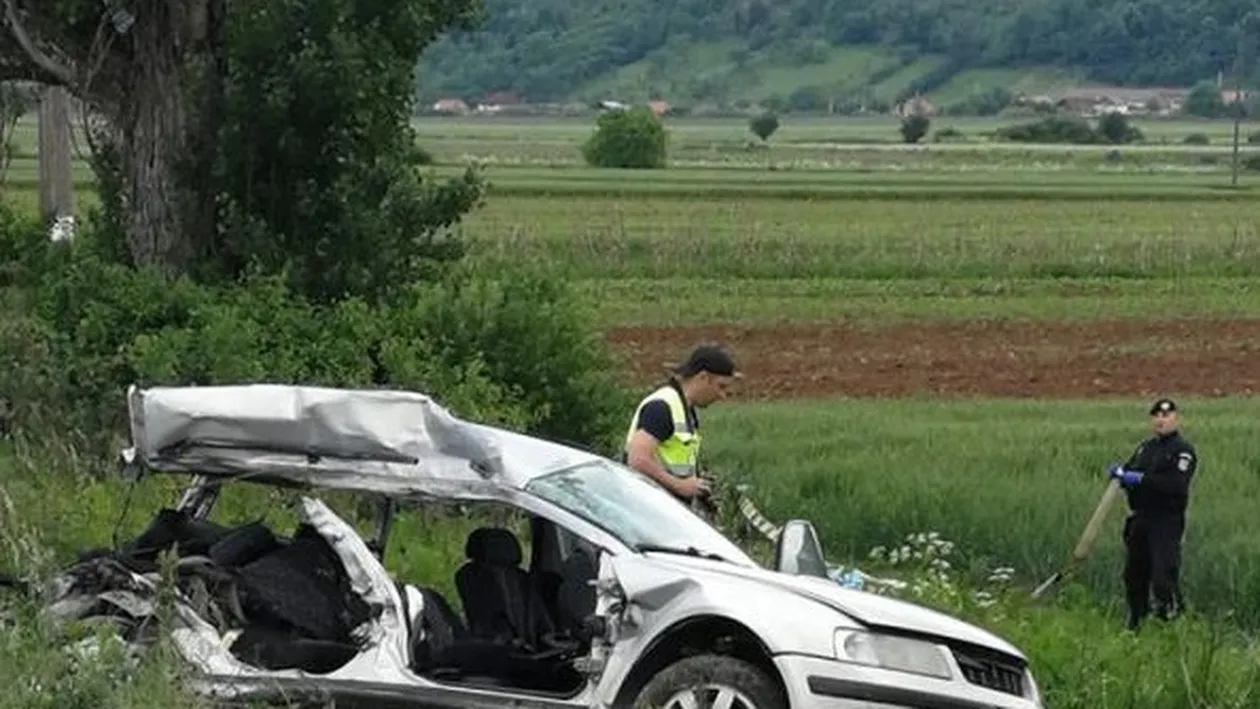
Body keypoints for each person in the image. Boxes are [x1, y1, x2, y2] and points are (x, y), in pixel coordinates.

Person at [1106, 397, 1198, 631]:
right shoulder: (1146, 448)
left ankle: (1171, 620)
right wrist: (1120, 474)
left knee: (1163, 574)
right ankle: (1136, 622)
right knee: (1133, 574)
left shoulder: (1183, 451)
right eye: (1156, 416)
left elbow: (1175, 485)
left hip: (1165, 520)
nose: (1161, 420)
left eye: (1166, 416)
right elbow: (1129, 470)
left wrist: (1142, 480)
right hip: (1141, 517)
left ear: (1176, 419)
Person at [622, 344, 741, 511]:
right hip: (647, 509)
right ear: (703, 377)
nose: (722, 395)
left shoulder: (685, 409)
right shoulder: (662, 407)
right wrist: (680, 485)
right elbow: (637, 459)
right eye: (721, 386)